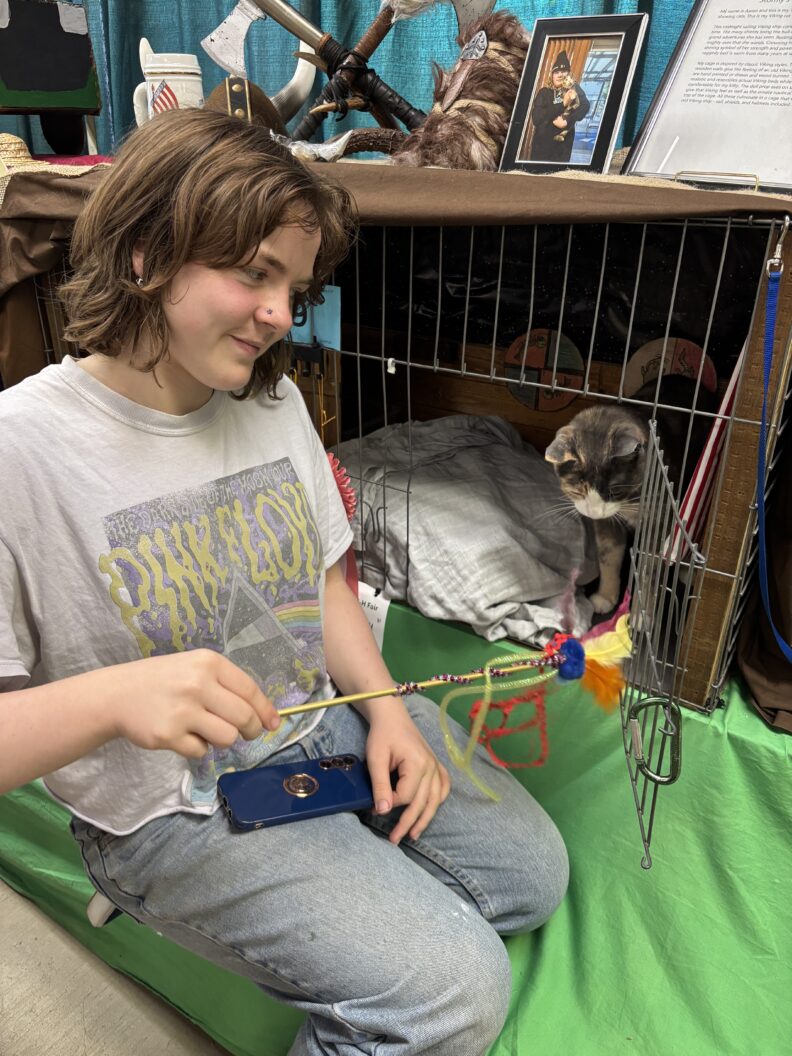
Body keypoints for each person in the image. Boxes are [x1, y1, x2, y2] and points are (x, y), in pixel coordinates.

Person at [0, 109, 568, 1055]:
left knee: (528, 878)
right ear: (146, 255)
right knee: (456, 994)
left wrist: (385, 708)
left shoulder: (273, 402)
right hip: (168, 812)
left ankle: (368, 903)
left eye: (294, 288)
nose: (279, 315)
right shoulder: (21, 450)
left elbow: (324, 588)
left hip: (318, 727)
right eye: (252, 273)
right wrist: (113, 699)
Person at [528, 50, 590, 164]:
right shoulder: (544, 92)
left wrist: (568, 121)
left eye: (564, 71)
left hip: (563, 148)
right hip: (542, 147)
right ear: (552, 75)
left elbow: (585, 105)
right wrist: (563, 104)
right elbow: (537, 119)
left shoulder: (574, 89)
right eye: (556, 72)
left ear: (568, 74)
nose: (560, 74)